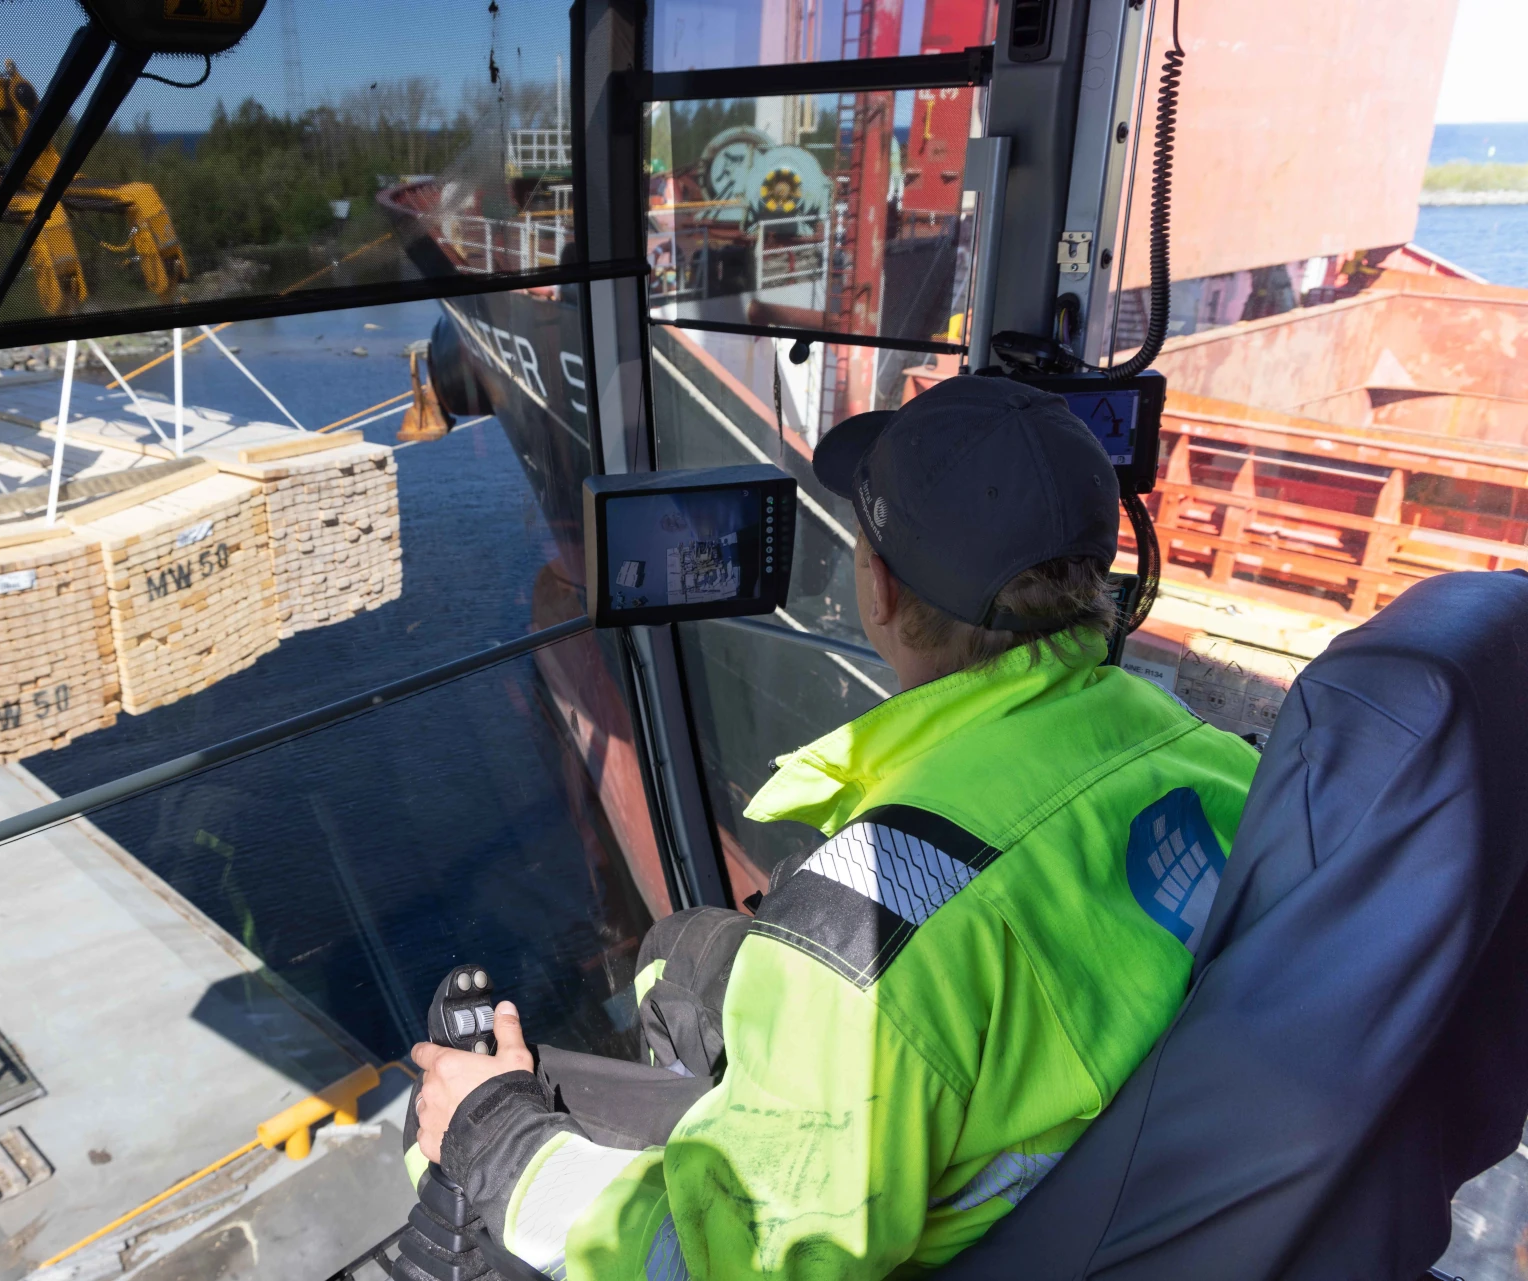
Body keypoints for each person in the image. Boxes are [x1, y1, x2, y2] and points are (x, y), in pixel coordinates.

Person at [407, 376, 1259, 1280]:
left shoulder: (863, 925)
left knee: (467, 1160)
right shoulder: (1223, 763)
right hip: (1122, 1199)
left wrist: (497, 1131)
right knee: (690, 951)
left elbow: (709, 1269)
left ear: (878, 589)